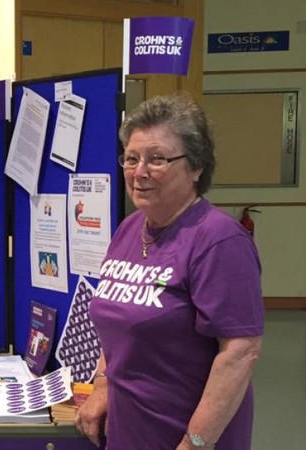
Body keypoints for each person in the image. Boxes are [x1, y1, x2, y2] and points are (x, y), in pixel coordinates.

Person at [76, 94, 264, 450]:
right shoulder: (130, 229)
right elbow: (117, 323)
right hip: (129, 432)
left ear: (195, 167)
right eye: (131, 158)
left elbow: (240, 352)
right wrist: (103, 385)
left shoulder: (219, 241)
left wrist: (195, 443)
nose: (140, 171)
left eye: (157, 158)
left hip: (186, 438)